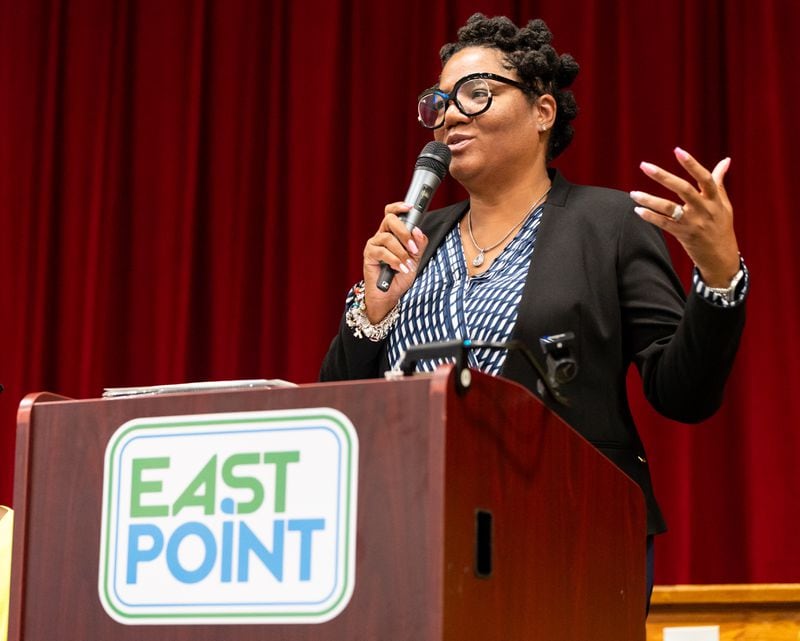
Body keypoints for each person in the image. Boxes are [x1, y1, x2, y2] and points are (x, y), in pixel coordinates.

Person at [320, 13, 748, 607]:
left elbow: (683, 393)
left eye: (476, 94)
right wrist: (373, 310)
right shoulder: (414, 240)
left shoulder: (609, 226)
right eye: (440, 101)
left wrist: (719, 276)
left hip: (569, 538)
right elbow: (337, 409)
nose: (449, 114)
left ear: (542, 113)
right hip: (408, 537)